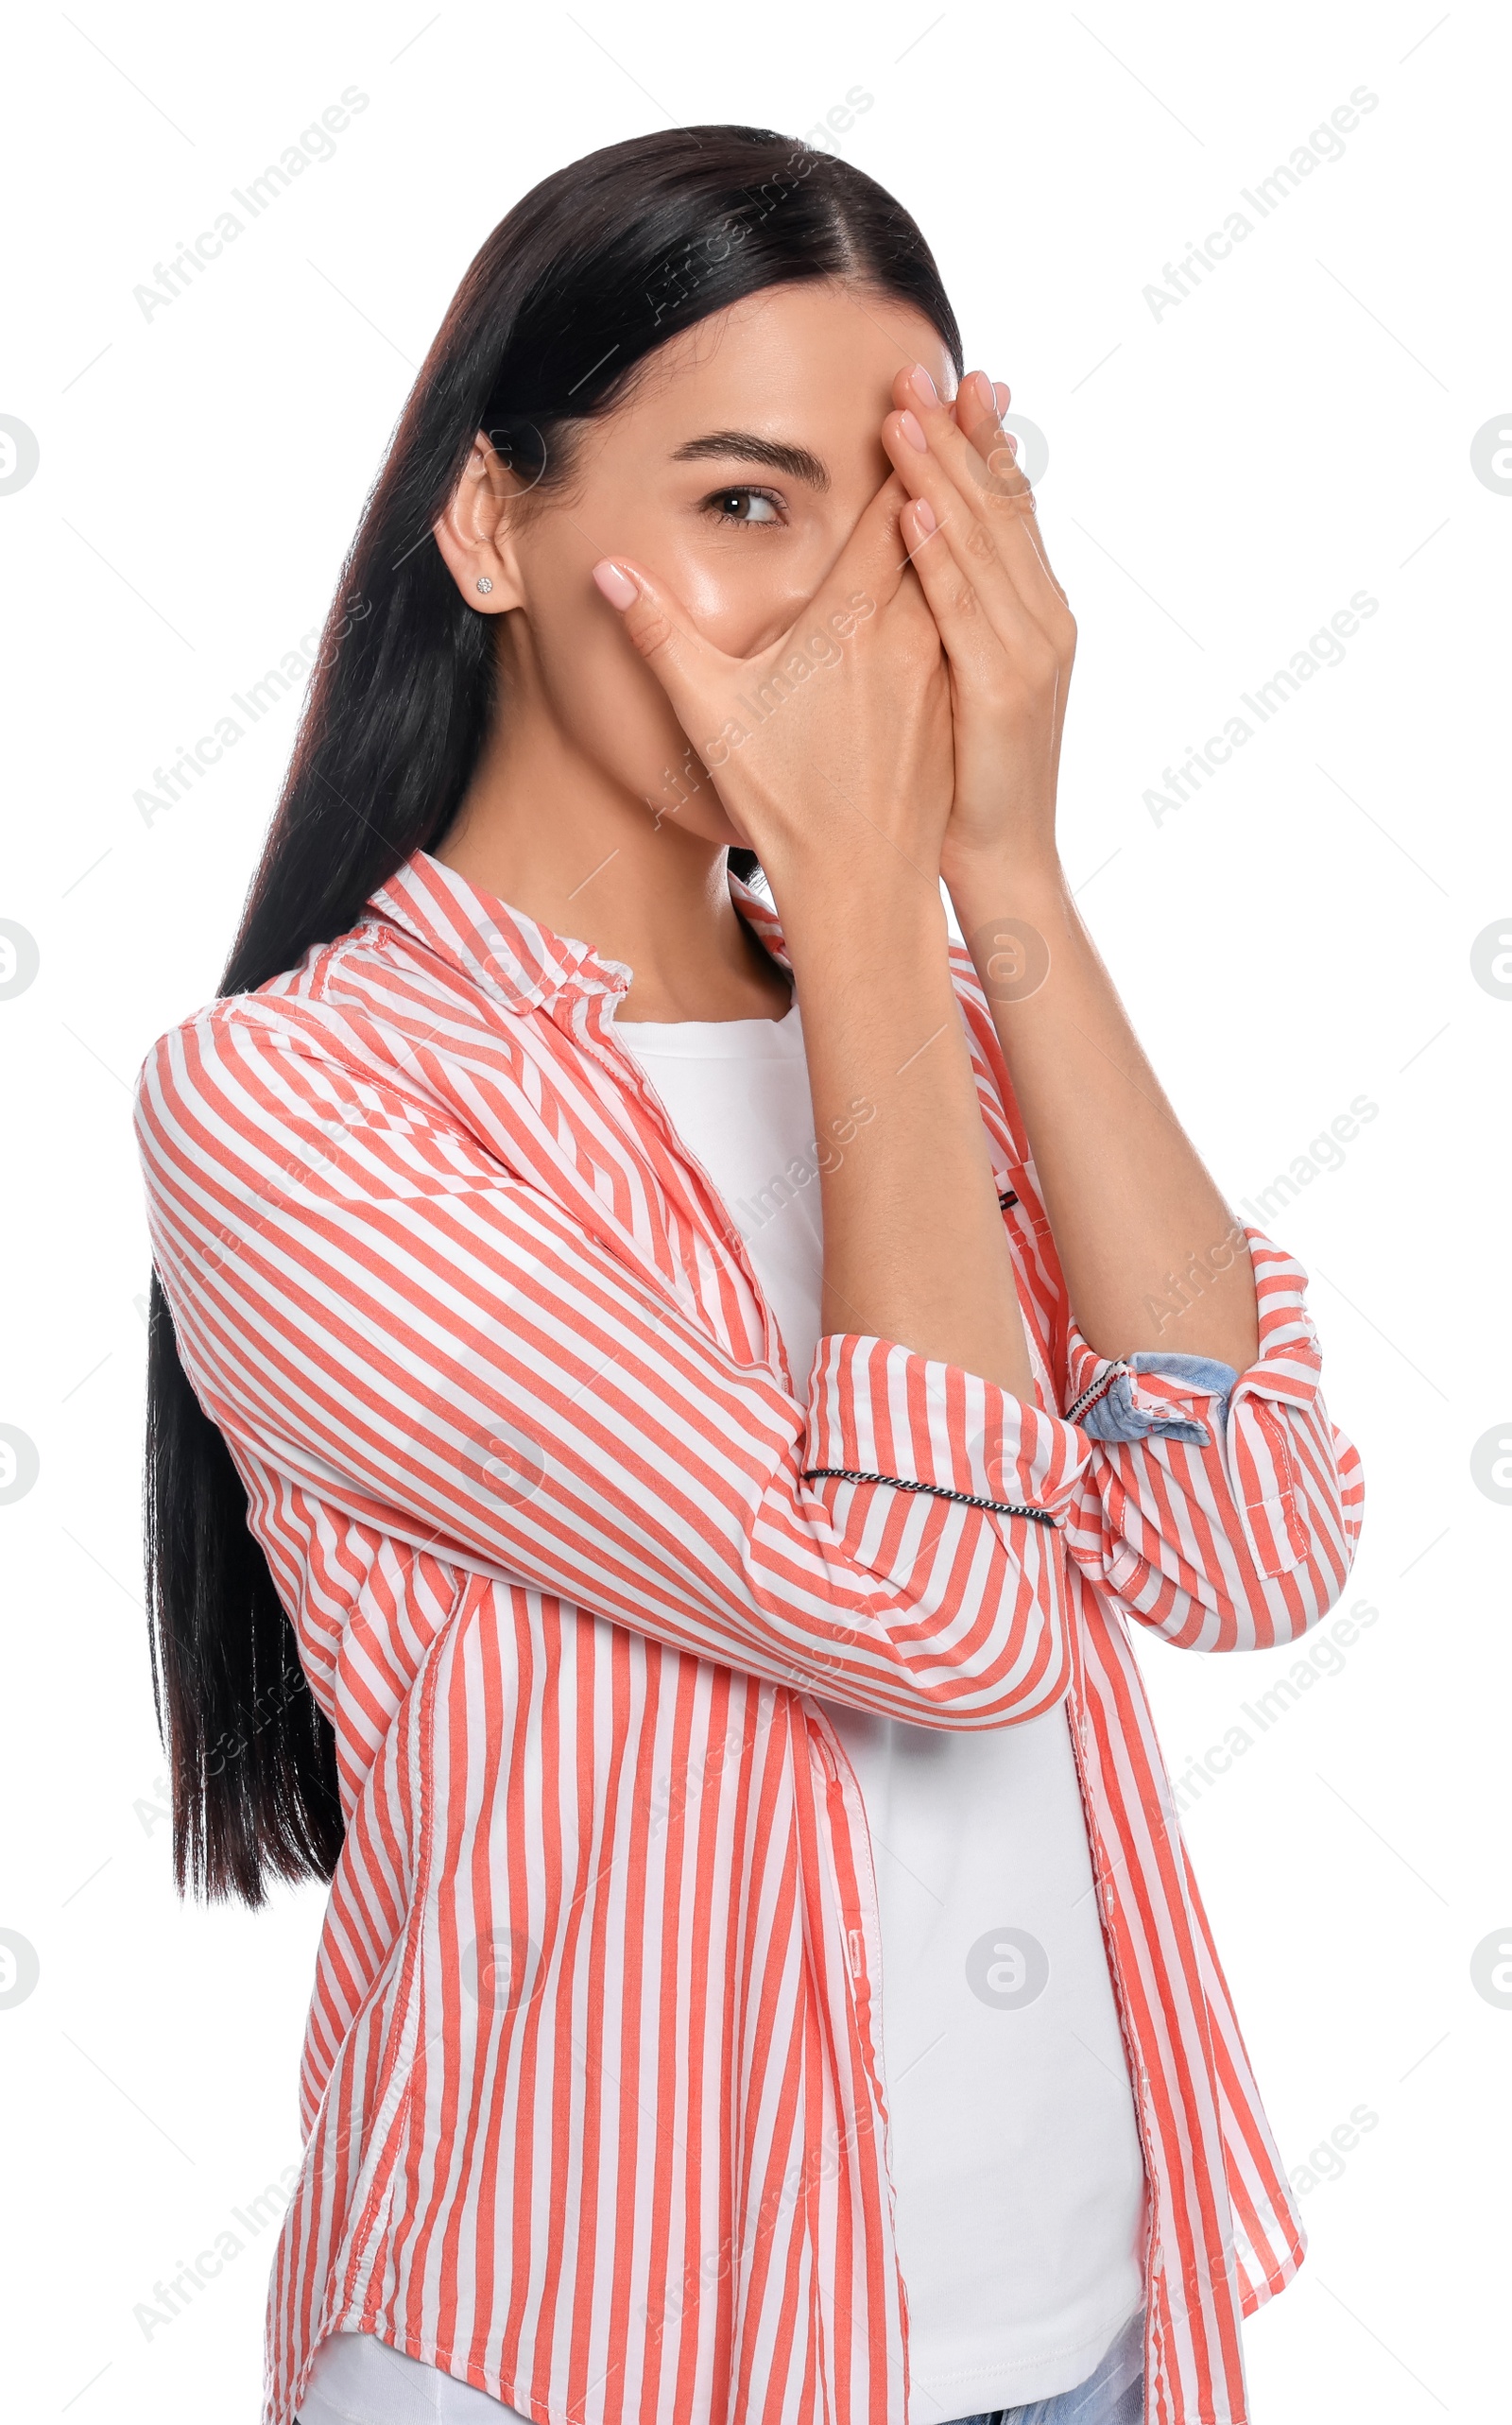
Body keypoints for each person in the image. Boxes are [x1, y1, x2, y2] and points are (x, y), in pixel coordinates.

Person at [133, 126, 1364, 2425]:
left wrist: (992, 863)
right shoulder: (298, 1106)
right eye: (734, 500)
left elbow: (1248, 1540)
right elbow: (935, 1614)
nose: (824, 603)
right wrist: (879, 894)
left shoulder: (934, 1020)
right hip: (585, 2342)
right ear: (496, 524)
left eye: (889, 514)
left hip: (1076, 2331)